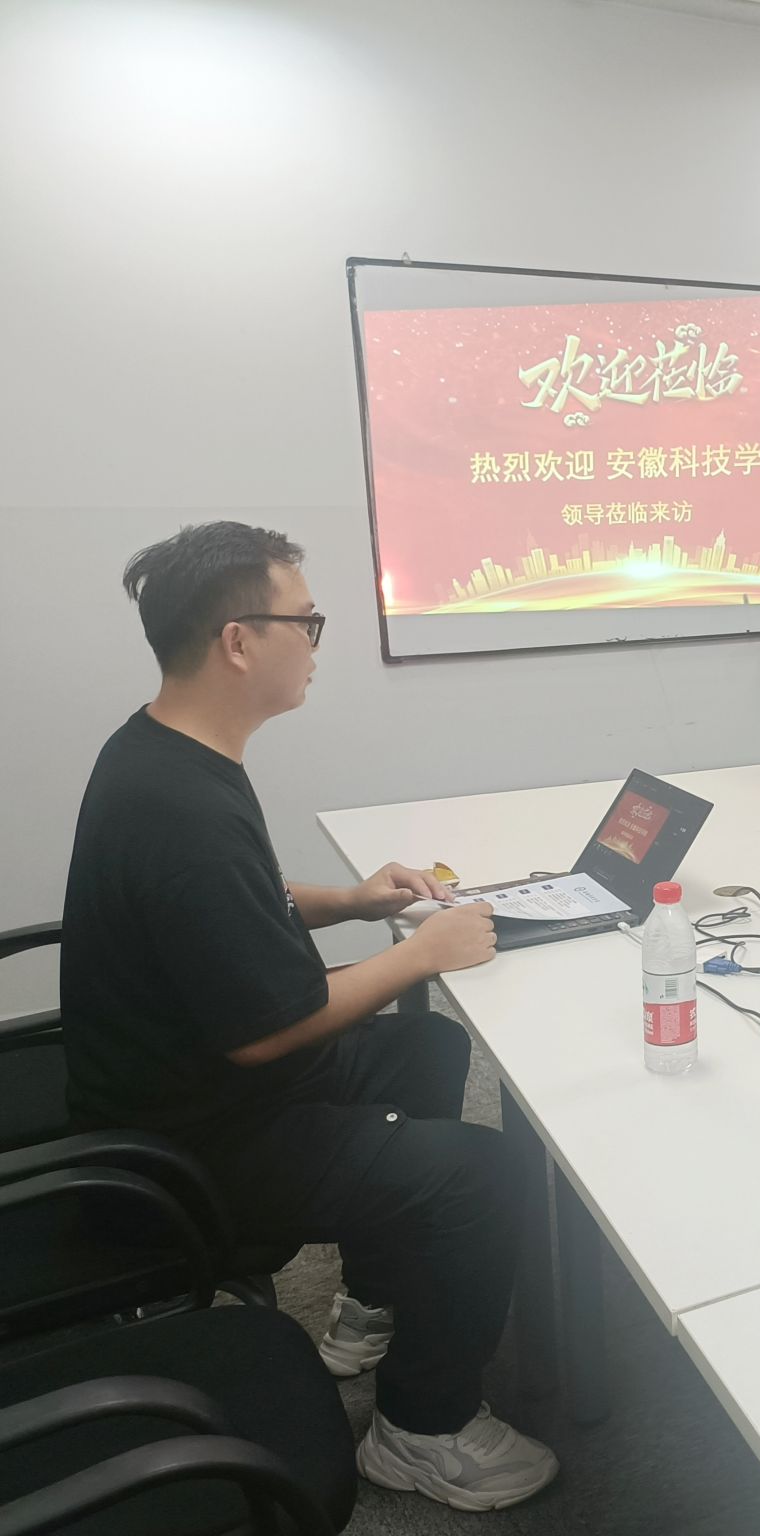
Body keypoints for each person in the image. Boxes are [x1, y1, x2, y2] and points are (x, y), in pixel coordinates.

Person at [60, 522, 558, 1510]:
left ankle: (374, 1299)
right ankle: (422, 1429)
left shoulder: (166, 751)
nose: (317, 643)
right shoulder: (180, 808)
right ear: (239, 641)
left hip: (199, 1087)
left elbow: (232, 902)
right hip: (197, 1143)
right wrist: (420, 951)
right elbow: (266, 1031)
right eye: (306, 621)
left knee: (426, 1045)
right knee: (484, 1173)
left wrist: (354, 902)